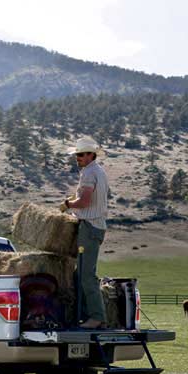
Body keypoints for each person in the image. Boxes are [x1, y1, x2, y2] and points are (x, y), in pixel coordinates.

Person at [61, 136, 109, 329]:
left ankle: (97, 317)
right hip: (94, 226)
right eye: (76, 154)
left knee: (86, 275)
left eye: (81, 154)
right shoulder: (97, 171)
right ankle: (83, 315)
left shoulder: (89, 173)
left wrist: (67, 204)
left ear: (91, 155)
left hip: (89, 227)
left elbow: (85, 202)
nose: (77, 157)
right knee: (79, 274)